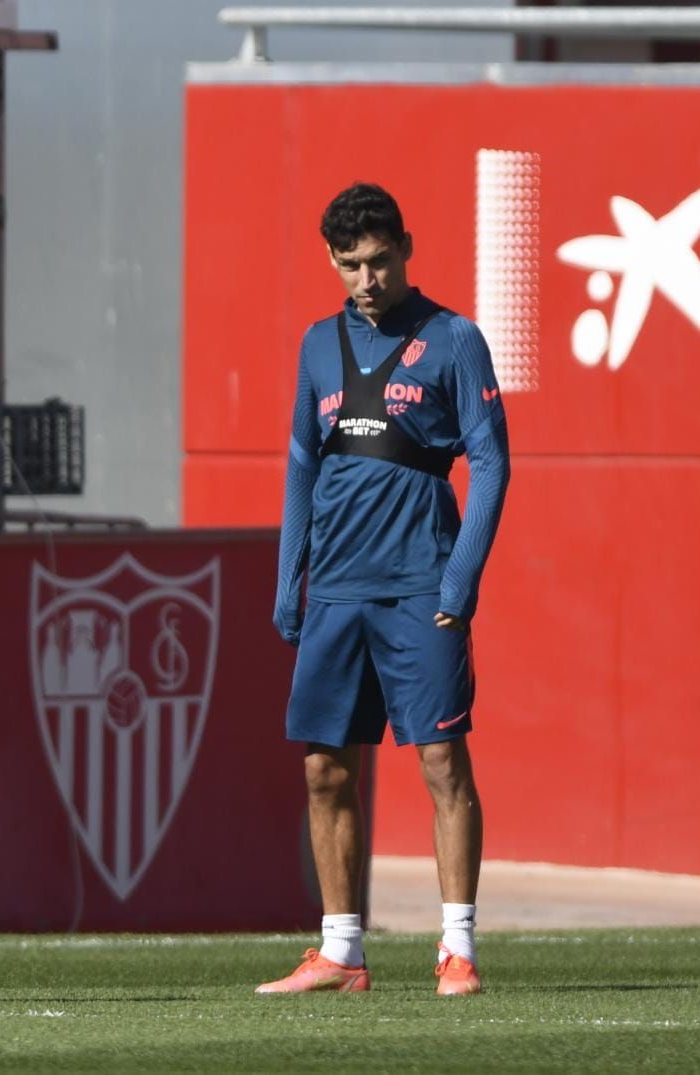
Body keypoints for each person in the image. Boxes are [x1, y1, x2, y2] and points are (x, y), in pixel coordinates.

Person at [260, 183, 510, 996]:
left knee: (441, 760)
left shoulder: (454, 338)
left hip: (419, 586)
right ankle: (341, 952)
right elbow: (302, 464)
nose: (366, 279)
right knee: (324, 770)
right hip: (337, 587)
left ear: (405, 247)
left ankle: (458, 948)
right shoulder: (317, 344)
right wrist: (290, 577)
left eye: (378, 260)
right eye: (349, 265)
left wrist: (461, 578)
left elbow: (492, 461)